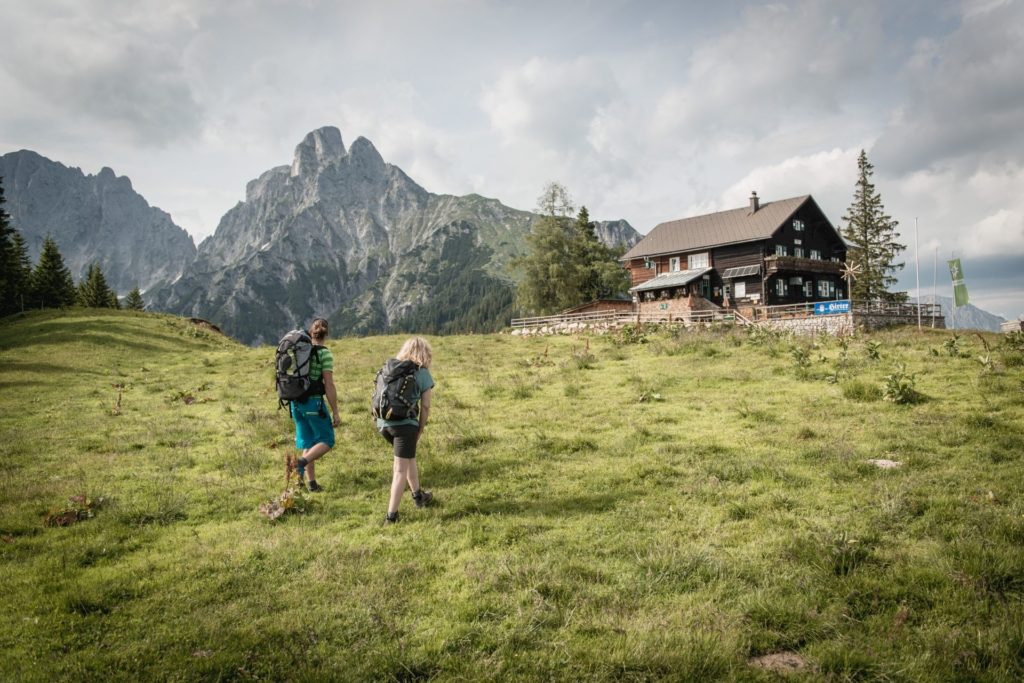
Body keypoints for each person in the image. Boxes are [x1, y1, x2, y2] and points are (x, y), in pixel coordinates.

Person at [378, 336, 435, 523]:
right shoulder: (422, 373)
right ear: (425, 354)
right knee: (400, 470)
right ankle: (391, 516)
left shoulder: (390, 369)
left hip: (384, 424)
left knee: (409, 457)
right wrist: (420, 428)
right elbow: (425, 407)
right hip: (404, 426)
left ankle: (418, 496)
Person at [293, 318, 340, 492]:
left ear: (310, 332)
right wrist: (335, 411)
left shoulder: (301, 350)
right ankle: (300, 463)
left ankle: (311, 484)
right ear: (326, 333)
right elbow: (328, 384)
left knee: (309, 442)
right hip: (313, 402)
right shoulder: (324, 354)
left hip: (296, 402)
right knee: (327, 440)